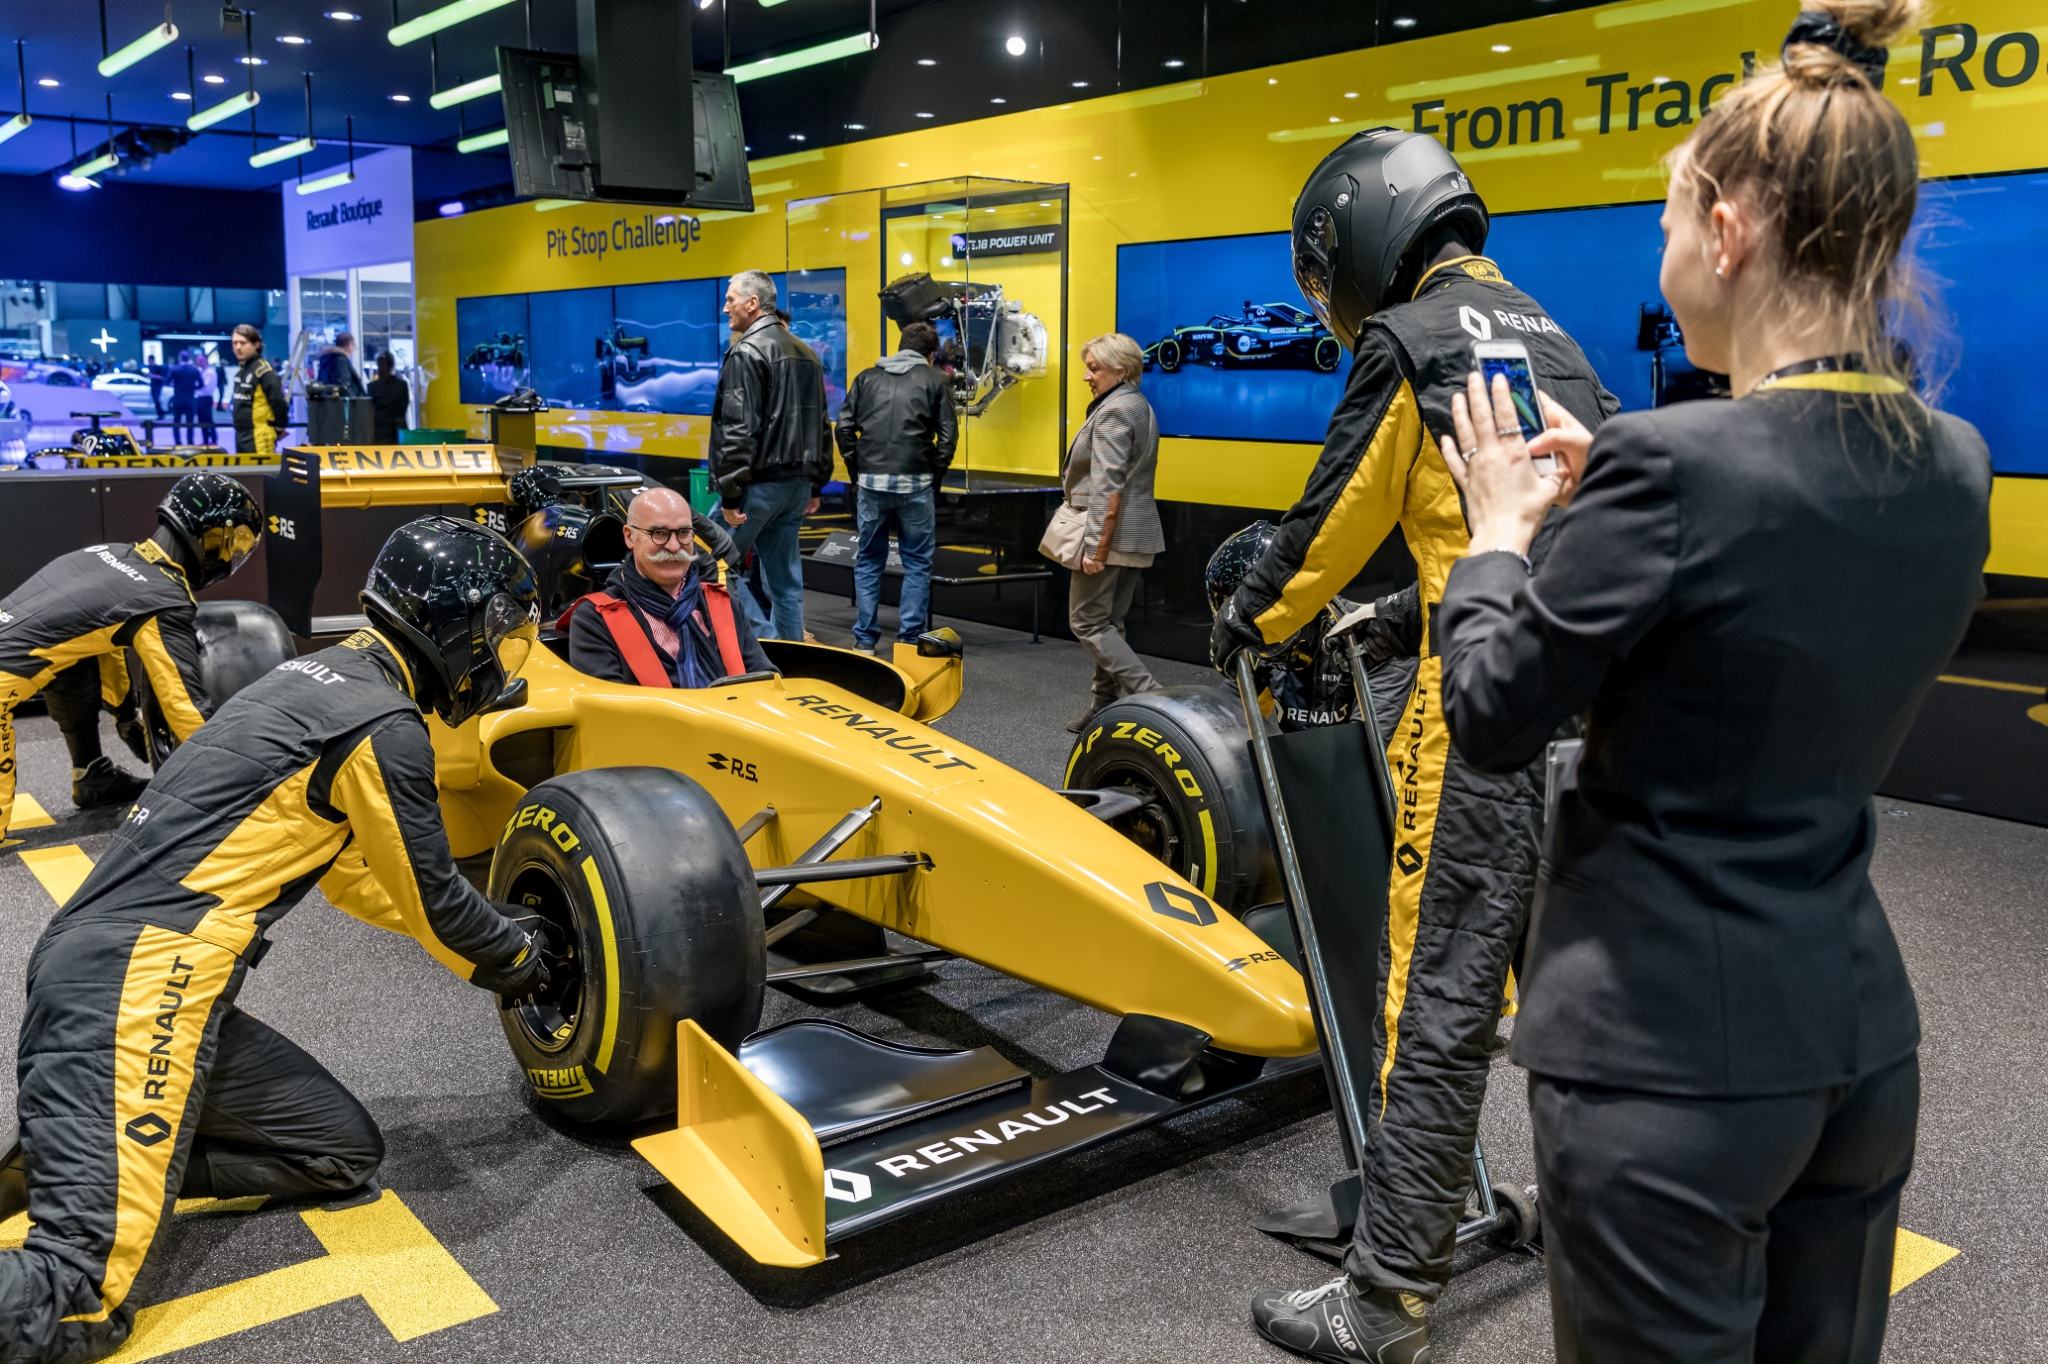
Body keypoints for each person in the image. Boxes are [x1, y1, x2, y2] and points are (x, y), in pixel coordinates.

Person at [1429, 6, 1987, 1360]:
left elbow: (1493, 713)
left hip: (1665, 1058)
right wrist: (1621, 488)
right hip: (1854, 1038)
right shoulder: (1952, 461)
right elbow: (1769, 570)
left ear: (1725, 229)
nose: (1664, 251)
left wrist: (1495, 537)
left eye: (1669, 219)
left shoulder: (1676, 469)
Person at [1216, 128, 1619, 1363]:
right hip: (1592, 712)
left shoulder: (1407, 340)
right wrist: (1398, 615)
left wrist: (1248, 617)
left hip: (1480, 719)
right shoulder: (1550, 338)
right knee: (1571, 990)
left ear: (1354, 234)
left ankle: (1385, 1291)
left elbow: (1328, 520)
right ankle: (1589, 1211)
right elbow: (1534, 525)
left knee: (1433, 997)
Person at [0, 516, 550, 1364]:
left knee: (341, 1153)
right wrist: (521, 958)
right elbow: (437, 901)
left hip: (136, 969)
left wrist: (494, 932)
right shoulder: (384, 723)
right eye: (501, 635)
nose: (501, 659)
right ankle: (94, 1168)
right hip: (139, 981)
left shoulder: (318, 679)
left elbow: (359, 880)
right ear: (460, 628)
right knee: (74, 1298)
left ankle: (83, 1156)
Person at [0, 472, 262, 835]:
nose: (233, 555)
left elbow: (103, 646)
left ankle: (92, 776)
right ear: (209, 536)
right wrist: (244, 786)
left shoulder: (110, 553)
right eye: (235, 542)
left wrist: (126, 718)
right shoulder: (164, 595)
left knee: (70, 658)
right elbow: (186, 709)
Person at [708, 270, 832, 643]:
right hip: (797, 485)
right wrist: (815, 484)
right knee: (785, 583)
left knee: (708, 561)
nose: (725, 307)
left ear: (752, 303)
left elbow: (739, 429)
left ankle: (762, 640)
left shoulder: (746, 352)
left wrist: (731, 493)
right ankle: (792, 654)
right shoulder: (807, 353)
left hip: (757, 485)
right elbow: (822, 424)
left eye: (730, 299)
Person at [563, 486, 772, 686]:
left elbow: (767, 683)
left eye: (683, 532)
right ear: (629, 536)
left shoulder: (724, 605)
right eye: (659, 533)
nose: (673, 546)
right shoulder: (594, 620)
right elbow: (607, 707)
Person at [834, 320, 958, 656]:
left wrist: (857, 468)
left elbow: (843, 428)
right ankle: (908, 638)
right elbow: (948, 437)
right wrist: (934, 474)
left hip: (871, 482)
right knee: (916, 561)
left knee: (868, 559)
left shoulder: (866, 378)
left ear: (901, 346)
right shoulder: (936, 380)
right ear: (931, 354)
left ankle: (864, 639)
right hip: (916, 482)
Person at [1062, 333, 1164, 733]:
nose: (1086, 376)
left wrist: (1095, 549)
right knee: (1110, 623)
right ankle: (1104, 705)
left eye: (1094, 368)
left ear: (1121, 370)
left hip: (1112, 536)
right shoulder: (1139, 405)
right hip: (1136, 535)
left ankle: (1156, 699)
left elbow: (1107, 486)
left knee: (1087, 622)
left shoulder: (1114, 411)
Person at [230, 324, 285, 457]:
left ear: (256, 344)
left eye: (243, 343)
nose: (238, 347)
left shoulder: (264, 371)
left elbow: (278, 402)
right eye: (235, 343)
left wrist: (279, 428)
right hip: (241, 434)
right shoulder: (242, 370)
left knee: (260, 471)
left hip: (259, 434)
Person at [367, 351, 410, 444]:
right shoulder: (402, 385)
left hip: (377, 433)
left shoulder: (372, 387)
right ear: (392, 367)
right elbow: (403, 408)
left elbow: (370, 411)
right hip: (397, 433)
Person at [167, 350, 203, 445]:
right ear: (189, 358)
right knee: (190, 422)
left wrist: (175, 385)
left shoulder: (175, 369)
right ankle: (190, 442)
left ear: (180, 358)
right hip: (190, 398)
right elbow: (201, 384)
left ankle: (178, 442)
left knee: (176, 421)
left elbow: (167, 381)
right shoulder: (194, 370)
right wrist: (192, 388)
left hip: (178, 398)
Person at [315, 331, 367, 397]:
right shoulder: (340, 361)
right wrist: (356, 401)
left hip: (329, 402)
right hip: (344, 403)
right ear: (349, 346)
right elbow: (343, 388)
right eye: (354, 346)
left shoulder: (328, 360)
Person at [196, 349, 220, 445]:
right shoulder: (202, 371)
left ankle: (213, 439)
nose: (198, 362)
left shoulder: (210, 372)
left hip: (206, 398)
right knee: (202, 420)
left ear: (206, 360)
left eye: (200, 360)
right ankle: (205, 440)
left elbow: (204, 386)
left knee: (208, 419)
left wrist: (194, 387)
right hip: (200, 398)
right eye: (198, 360)